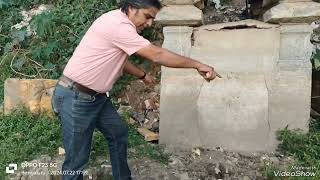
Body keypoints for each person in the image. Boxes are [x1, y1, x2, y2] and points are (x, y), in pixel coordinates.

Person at [51, 0, 221, 179]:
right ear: (132, 8)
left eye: (152, 19)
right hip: (76, 97)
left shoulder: (118, 23)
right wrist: (197, 64)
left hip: (95, 98)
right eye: (147, 16)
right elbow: (157, 55)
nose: (149, 23)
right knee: (76, 160)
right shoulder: (118, 25)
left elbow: (119, 59)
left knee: (118, 133)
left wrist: (142, 75)